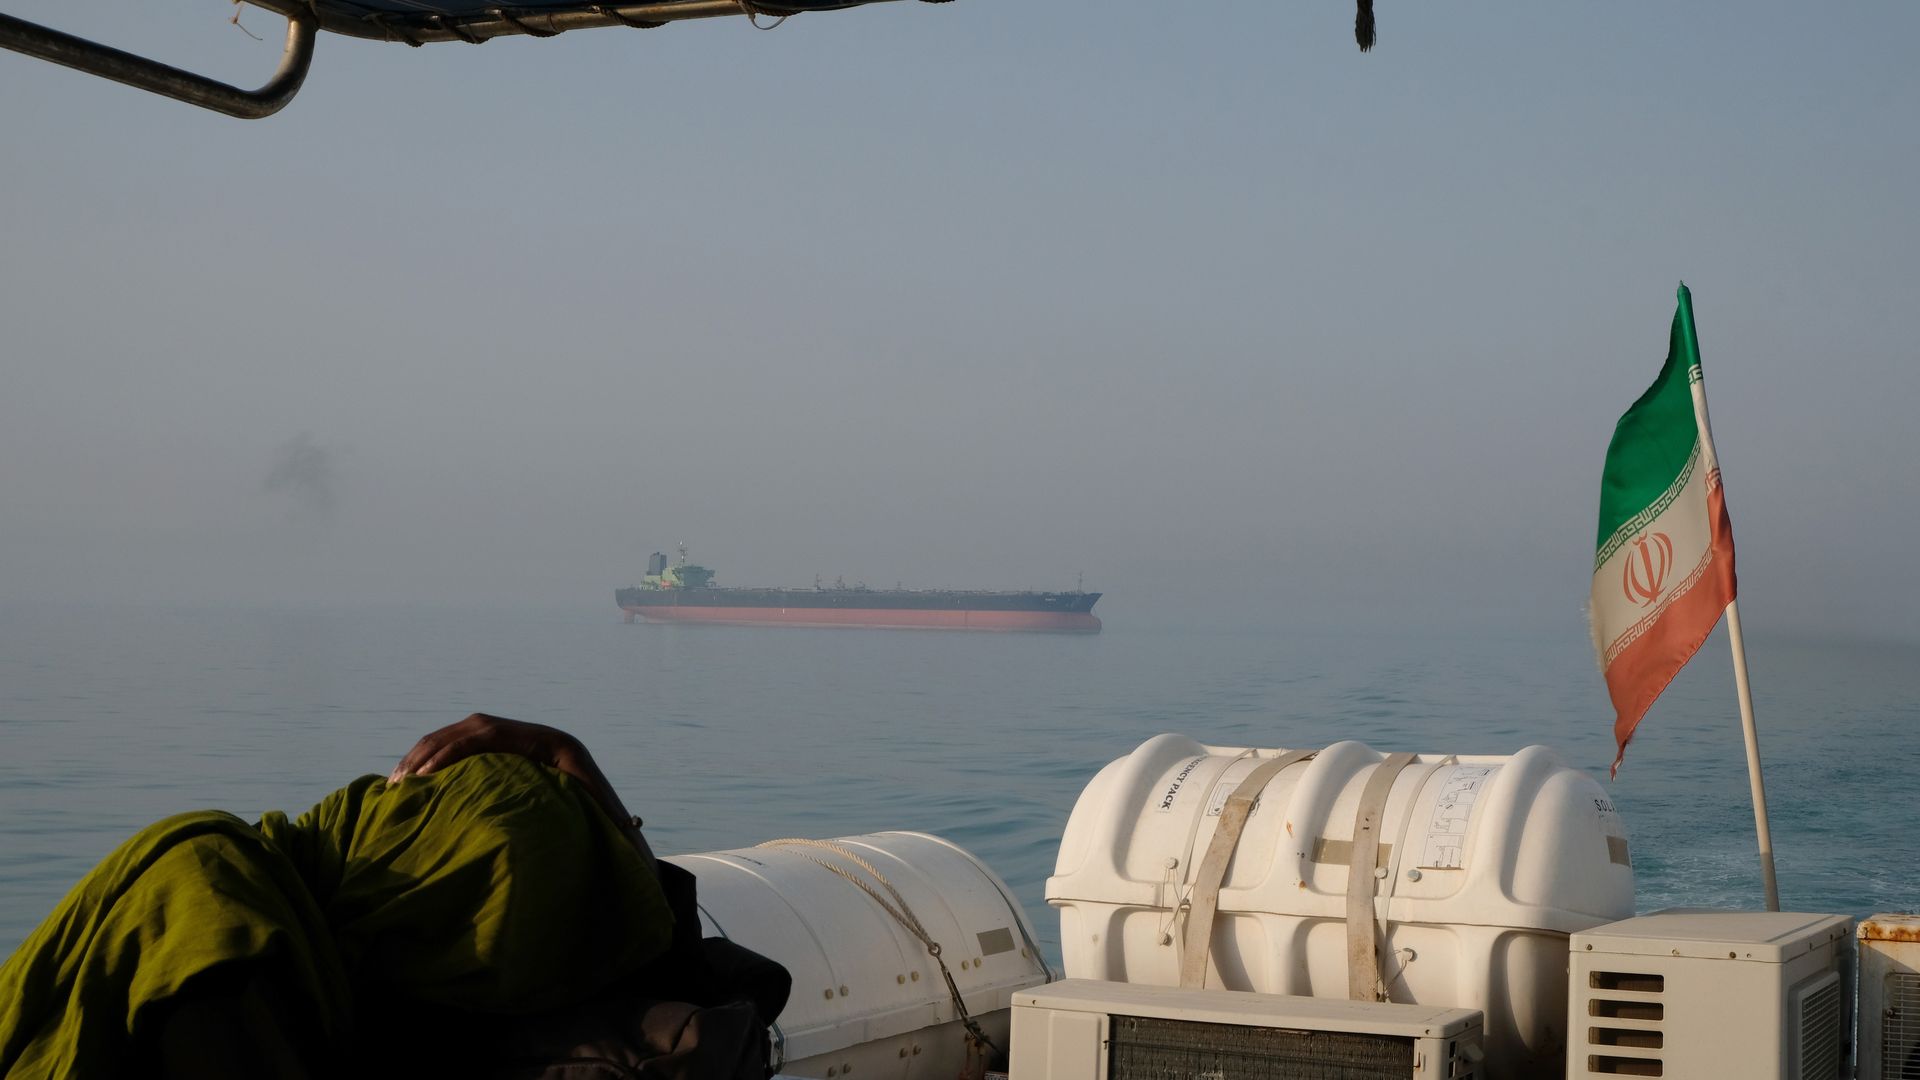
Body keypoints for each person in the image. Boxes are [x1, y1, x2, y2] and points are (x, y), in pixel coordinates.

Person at [0, 714, 787, 1079]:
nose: (499, 961)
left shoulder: (304, 873)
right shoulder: (228, 952)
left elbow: (653, 938)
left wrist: (559, 750)